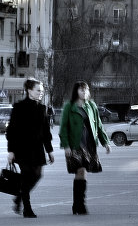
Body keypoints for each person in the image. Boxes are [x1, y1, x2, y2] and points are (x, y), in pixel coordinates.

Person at [58, 81, 111, 216]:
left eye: (86, 90)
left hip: (89, 144)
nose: (84, 92)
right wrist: (66, 145)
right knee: (80, 170)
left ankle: (77, 204)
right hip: (75, 145)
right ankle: (80, 204)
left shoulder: (91, 106)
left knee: (83, 173)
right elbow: (63, 128)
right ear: (76, 91)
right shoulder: (69, 107)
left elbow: (98, 125)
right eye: (82, 90)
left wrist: (105, 142)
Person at [5, 79, 55, 218]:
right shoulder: (19, 107)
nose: (41, 93)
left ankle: (19, 198)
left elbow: (46, 132)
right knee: (27, 176)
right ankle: (27, 208)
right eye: (38, 90)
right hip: (22, 149)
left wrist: (50, 151)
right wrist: (11, 151)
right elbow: (12, 131)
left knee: (38, 175)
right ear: (29, 90)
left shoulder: (42, 108)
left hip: (38, 149)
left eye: (42, 91)